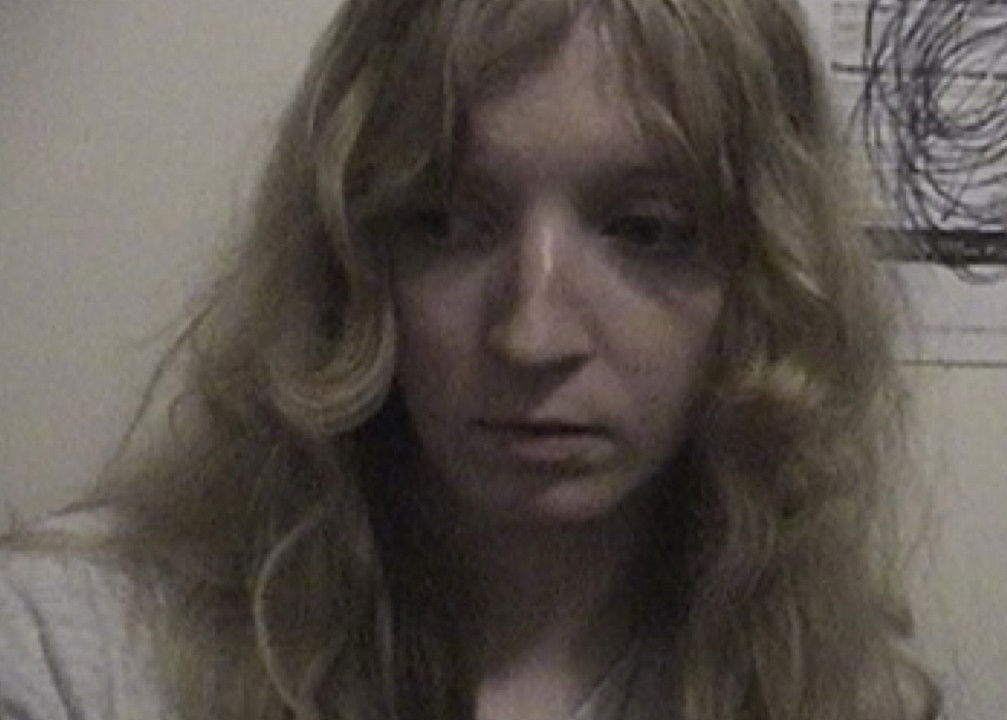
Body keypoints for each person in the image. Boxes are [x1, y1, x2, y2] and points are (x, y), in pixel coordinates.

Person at [0, 1, 938, 719]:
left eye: (647, 230)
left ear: (766, 277)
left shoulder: (842, 696)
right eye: (445, 222)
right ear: (352, 256)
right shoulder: (81, 660)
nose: (533, 336)